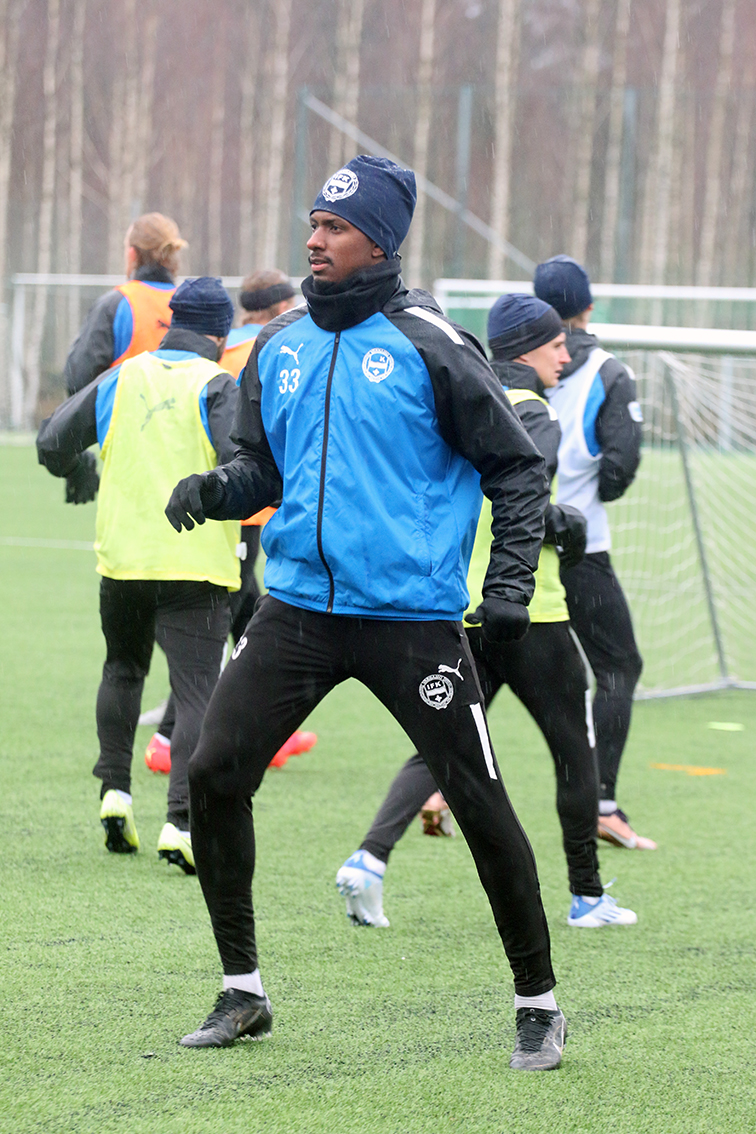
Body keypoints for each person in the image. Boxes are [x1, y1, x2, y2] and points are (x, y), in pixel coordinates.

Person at [166, 155, 566, 1070]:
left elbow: (516, 469)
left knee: (478, 799)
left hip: (411, 621)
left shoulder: (434, 344)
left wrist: (508, 586)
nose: (315, 239)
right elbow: (265, 470)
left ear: (379, 242)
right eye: (314, 222)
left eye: (335, 227)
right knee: (214, 773)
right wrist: (218, 488)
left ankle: (538, 1002)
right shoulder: (281, 345)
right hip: (298, 610)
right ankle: (243, 991)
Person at [336, 294, 638, 931]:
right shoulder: (532, 410)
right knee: (574, 752)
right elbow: (520, 496)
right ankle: (587, 897)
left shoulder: (456, 399)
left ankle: (369, 858)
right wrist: (562, 520)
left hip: (457, 606)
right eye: (556, 344)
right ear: (528, 348)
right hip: (530, 611)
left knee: (441, 746)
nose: (565, 355)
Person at [37, 277, 240, 875]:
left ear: (171, 324)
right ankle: (180, 821)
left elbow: (51, 442)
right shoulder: (217, 384)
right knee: (197, 691)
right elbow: (242, 465)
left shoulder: (123, 377)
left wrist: (81, 468)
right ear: (221, 335)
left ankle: (115, 793)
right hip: (196, 565)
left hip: (123, 561)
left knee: (122, 671)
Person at [142, 270, 314, 774]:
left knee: (247, 614)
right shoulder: (272, 347)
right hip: (242, 506)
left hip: (228, 501)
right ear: (277, 306)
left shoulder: (232, 347)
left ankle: (268, 730)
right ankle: (168, 737)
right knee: (225, 621)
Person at [533, 255, 656, 851]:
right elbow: (622, 463)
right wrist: (594, 492)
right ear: (587, 306)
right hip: (579, 549)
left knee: (486, 669)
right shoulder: (608, 371)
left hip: (509, 544)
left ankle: (436, 787)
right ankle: (603, 802)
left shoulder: (510, 363)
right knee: (617, 667)